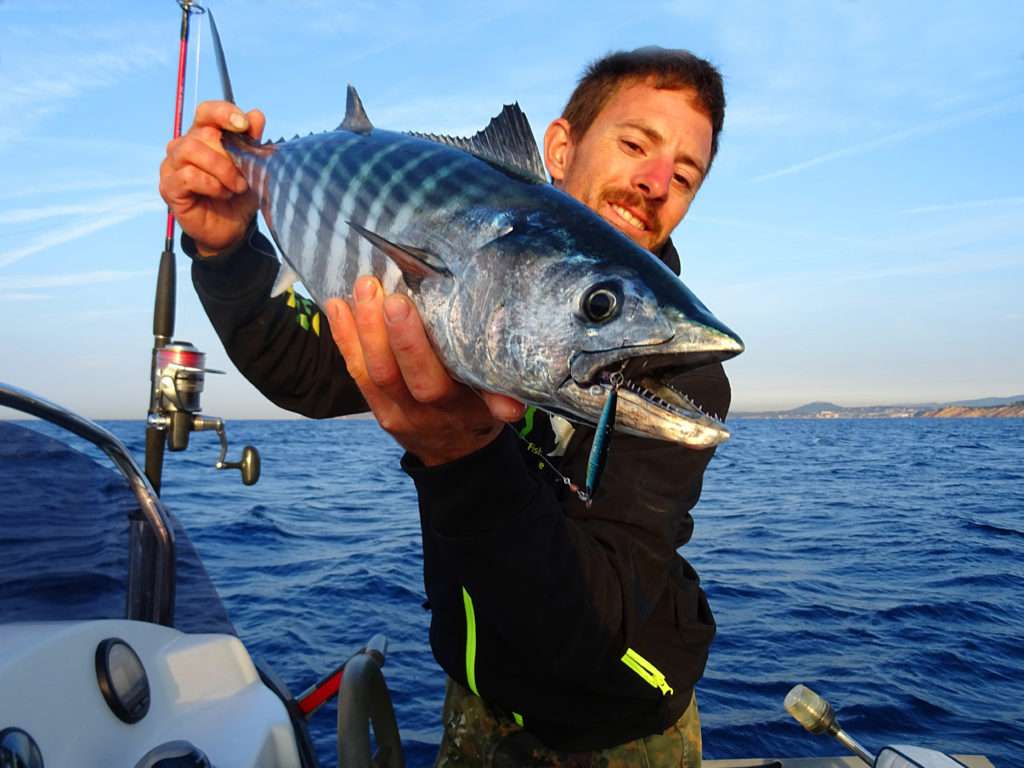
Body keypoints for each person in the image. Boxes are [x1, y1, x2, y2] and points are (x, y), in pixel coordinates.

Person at [160, 47, 730, 767]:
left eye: (685, 176)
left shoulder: (685, 373)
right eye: (634, 144)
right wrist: (226, 252)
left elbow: (591, 624)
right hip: (478, 702)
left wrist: (463, 454)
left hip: (623, 728)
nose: (655, 183)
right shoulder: (472, 289)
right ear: (559, 147)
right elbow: (305, 371)